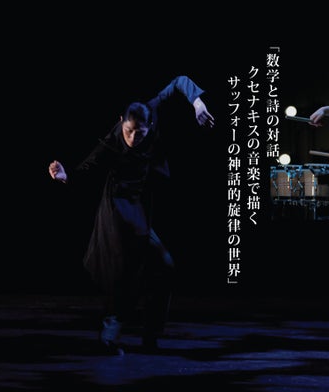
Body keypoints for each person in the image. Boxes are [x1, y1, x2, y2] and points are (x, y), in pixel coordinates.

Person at [48, 75, 215, 355]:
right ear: (121, 122)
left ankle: (151, 336)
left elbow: (179, 82)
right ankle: (109, 337)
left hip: (138, 208)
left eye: (140, 133)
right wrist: (66, 176)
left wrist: (197, 104)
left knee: (164, 266)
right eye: (129, 131)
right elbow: (89, 166)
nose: (133, 138)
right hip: (115, 210)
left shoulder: (152, 111)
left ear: (150, 125)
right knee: (123, 272)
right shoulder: (113, 140)